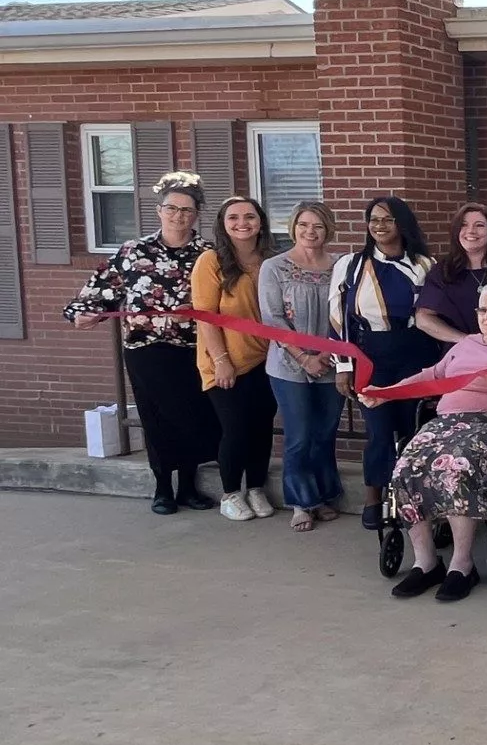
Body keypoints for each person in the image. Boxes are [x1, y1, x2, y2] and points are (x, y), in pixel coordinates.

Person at [64, 170, 221, 514]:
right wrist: (81, 313)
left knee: (192, 415)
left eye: (186, 210)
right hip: (146, 350)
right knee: (157, 418)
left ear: (197, 215)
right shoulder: (134, 252)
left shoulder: (209, 253)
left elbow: (225, 299)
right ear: (159, 210)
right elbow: (101, 291)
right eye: (172, 208)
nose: (178, 215)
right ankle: (163, 487)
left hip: (195, 349)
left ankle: (188, 487)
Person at [381, 280, 487, 603]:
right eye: (482, 309)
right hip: (448, 419)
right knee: (406, 466)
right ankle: (425, 561)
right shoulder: (465, 345)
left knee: (457, 464)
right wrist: (386, 393)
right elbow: (432, 376)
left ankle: (462, 565)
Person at [330, 196, 437, 529]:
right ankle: (373, 497)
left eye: (387, 219)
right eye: (373, 219)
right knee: (378, 431)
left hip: (415, 352)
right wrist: (343, 366)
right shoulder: (350, 265)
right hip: (371, 355)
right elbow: (337, 319)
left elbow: (433, 314)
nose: (379, 226)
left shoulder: (425, 265)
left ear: (402, 223)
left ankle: (414, 500)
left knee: (414, 430)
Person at [191, 195, 279, 522]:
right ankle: (230, 493)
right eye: (234, 218)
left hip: (267, 360)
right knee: (236, 429)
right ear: (223, 224)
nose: (242, 223)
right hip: (226, 361)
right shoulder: (210, 261)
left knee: (261, 427)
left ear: (261, 222)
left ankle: (255, 487)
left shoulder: (271, 259)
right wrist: (222, 359)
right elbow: (206, 316)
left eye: (249, 216)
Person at [259, 200, 344, 531]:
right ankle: (300, 502)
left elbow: (346, 314)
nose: (311, 232)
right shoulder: (275, 267)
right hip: (288, 365)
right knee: (300, 434)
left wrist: (326, 356)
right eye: (304, 225)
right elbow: (273, 319)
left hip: (332, 363)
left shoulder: (340, 265)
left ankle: (323, 495)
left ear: (328, 230)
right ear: (293, 227)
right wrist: (304, 357)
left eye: (318, 226)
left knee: (325, 433)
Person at [416, 203, 487, 343]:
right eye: (463, 225)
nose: (471, 231)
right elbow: (423, 318)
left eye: (479, 225)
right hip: (459, 354)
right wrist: (467, 341)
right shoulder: (443, 271)